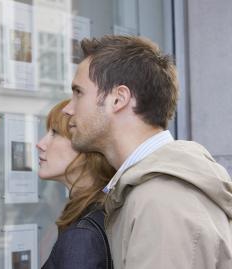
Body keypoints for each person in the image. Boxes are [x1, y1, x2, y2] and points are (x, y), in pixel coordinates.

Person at [62, 35, 232, 269]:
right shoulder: (151, 191)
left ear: (118, 99)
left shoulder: (161, 200)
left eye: (78, 92)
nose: (68, 109)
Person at [37, 99, 116, 269]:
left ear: (87, 147)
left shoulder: (83, 234)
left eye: (55, 133)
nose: (40, 144)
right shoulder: (103, 212)